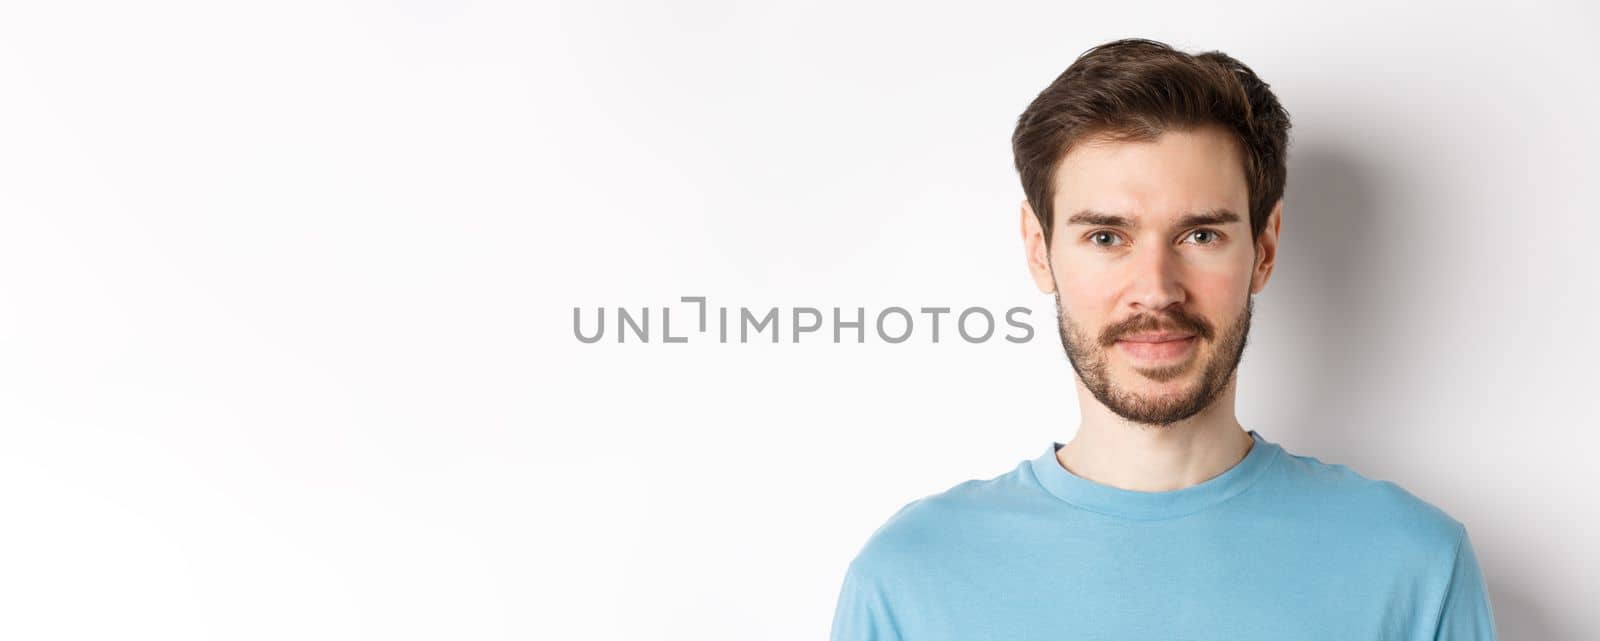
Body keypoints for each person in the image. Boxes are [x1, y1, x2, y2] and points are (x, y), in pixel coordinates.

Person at [828, 38, 1498, 640]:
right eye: (1106, 236)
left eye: (1200, 235)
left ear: (1264, 249)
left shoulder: (1415, 567)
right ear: (1039, 250)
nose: (1156, 288)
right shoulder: (907, 584)